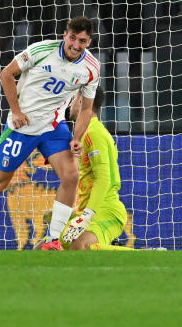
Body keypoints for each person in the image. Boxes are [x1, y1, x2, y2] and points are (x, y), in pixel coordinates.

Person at [0, 16, 100, 251]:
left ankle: (52, 240)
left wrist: (76, 138)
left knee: (71, 176)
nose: (76, 45)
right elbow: (6, 74)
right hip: (22, 127)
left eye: (82, 41)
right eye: (73, 38)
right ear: (65, 35)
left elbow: (86, 109)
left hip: (53, 127)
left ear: (89, 42)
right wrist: (15, 112)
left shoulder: (91, 68)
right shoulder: (41, 50)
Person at [54, 87, 130, 250]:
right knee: (48, 248)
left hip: (105, 212)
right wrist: (74, 213)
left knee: (80, 246)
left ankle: (145, 255)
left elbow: (104, 180)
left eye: (73, 99)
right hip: (87, 211)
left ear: (81, 101)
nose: (71, 104)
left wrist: (87, 216)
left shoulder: (93, 132)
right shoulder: (85, 132)